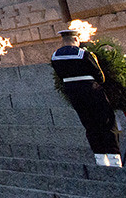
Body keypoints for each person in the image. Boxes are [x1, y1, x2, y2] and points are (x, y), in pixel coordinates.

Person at [50, 29, 121, 167]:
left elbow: (60, 76)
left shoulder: (54, 56)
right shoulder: (83, 53)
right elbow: (100, 76)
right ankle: (114, 160)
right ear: (76, 40)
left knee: (89, 125)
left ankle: (100, 159)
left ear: (62, 41)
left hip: (73, 93)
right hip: (91, 90)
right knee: (107, 122)